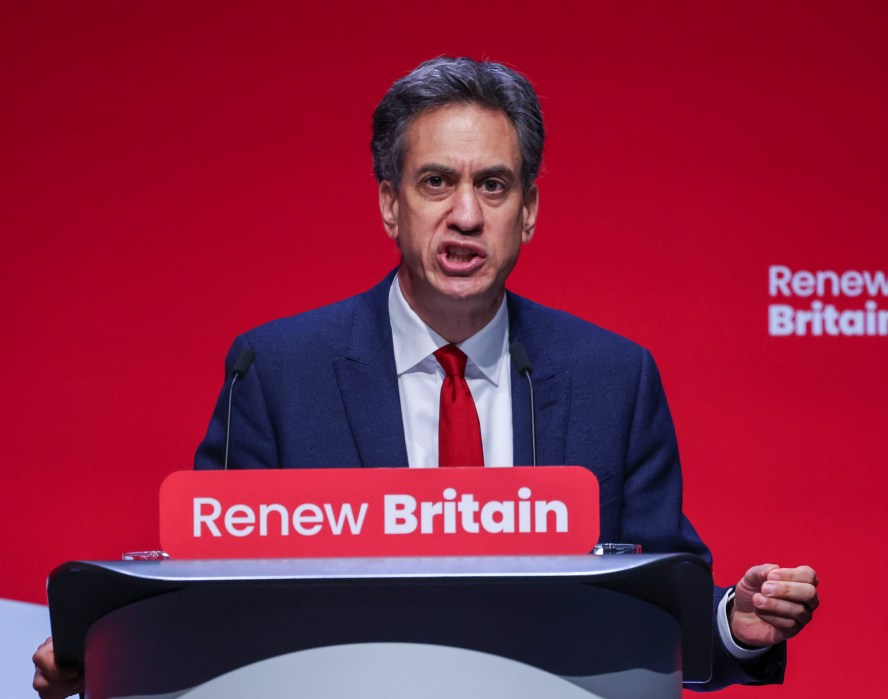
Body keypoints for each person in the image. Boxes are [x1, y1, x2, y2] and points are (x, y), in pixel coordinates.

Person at [34, 56, 819, 698]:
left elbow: (664, 609)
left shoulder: (615, 376)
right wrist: (101, 648)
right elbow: (206, 597)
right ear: (389, 204)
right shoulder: (275, 371)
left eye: (495, 185)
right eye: (437, 182)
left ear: (531, 210)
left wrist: (731, 623)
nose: (467, 215)